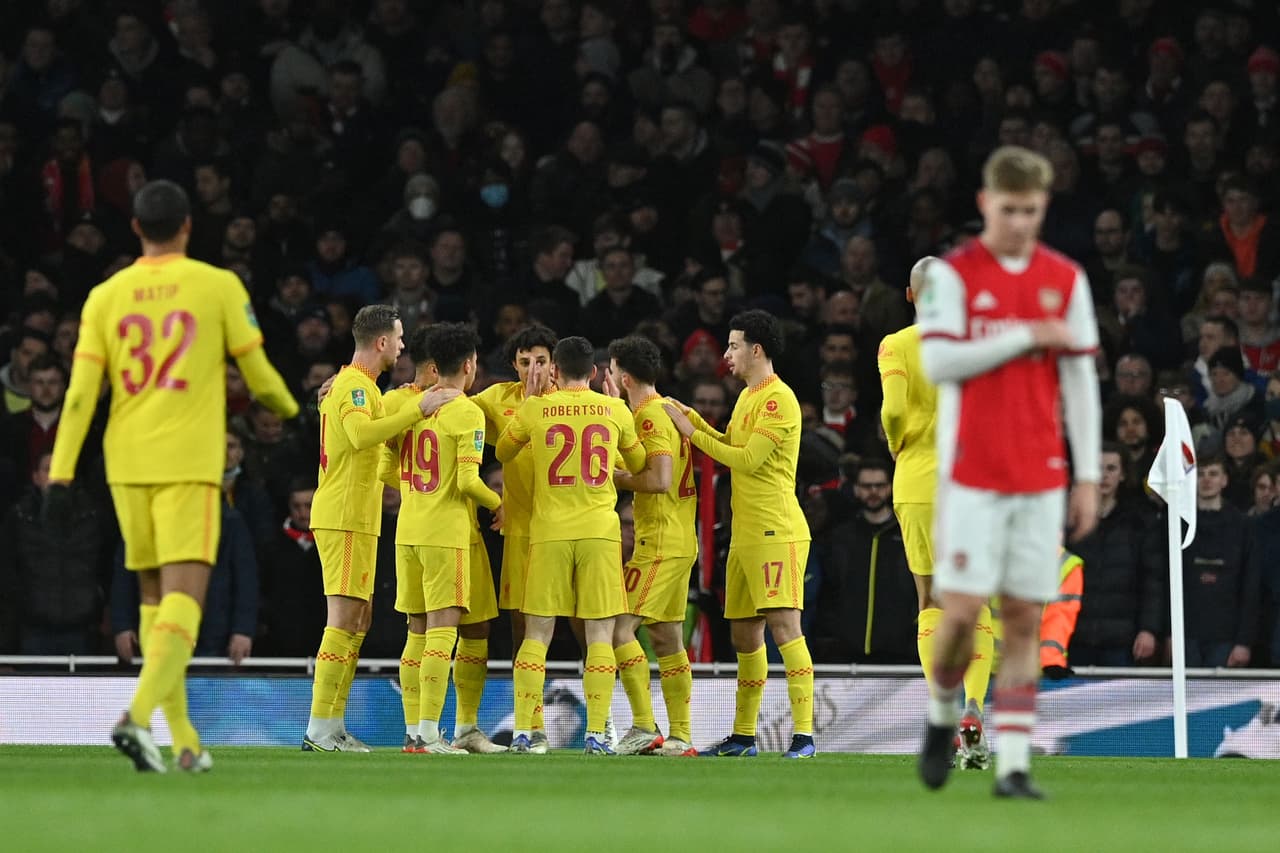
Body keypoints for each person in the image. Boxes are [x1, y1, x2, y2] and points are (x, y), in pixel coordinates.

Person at [47, 179, 298, 773]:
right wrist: (295, 410)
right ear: (188, 226)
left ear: (136, 228)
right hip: (187, 464)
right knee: (187, 598)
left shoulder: (106, 296)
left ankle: (184, 741)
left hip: (126, 464)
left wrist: (59, 474)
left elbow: (81, 395)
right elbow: (258, 377)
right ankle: (135, 718)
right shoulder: (217, 286)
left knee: (156, 602)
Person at [915, 146, 1101, 798]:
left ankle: (1015, 765)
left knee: (1023, 616)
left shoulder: (1066, 278)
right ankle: (943, 717)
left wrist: (1086, 475)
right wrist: (1023, 335)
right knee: (960, 615)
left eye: (1032, 210)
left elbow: (1079, 379)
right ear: (985, 204)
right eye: (1010, 209)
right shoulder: (956, 277)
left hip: (1041, 475)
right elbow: (939, 365)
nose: (1021, 222)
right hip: (971, 475)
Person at [664, 310, 818, 759]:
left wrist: (692, 433)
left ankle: (805, 736)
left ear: (756, 350)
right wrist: (691, 417)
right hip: (746, 534)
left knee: (786, 629)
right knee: (744, 636)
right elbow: (728, 445)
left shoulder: (777, 400)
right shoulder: (747, 397)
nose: (726, 355)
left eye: (732, 346)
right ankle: (744, 736)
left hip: (777, 530)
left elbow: (746, 459)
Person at [496, 335, 646, 754]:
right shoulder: (614, 409)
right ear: (595, 373)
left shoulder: (536, 408)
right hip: (600, 533)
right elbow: (637, 465)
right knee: (600, 635)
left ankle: (526, 731)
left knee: (537, 634)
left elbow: (505, 451)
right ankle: (598, 733)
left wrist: (528, 401)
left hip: (549, 534)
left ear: (554, 372)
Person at [302, 304, 437, 753]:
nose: (402, 346)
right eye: (398, 338)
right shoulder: (355, 388)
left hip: (357, 518)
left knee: (357, 621)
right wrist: (420, 408)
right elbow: (362, 436)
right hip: (342, 516)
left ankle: (333, 724)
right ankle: (320, 727)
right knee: (341, 621)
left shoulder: (359, 388)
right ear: (381, 342)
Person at [878, 256, 995, 771]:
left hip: (920, 481)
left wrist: (895, 442)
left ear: (910, 296)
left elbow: (894, 410)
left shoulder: (897, 345)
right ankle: (974, 704)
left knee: (930, 597)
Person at [383, 323, 504, 754]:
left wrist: (419, 487)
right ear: (469, 366)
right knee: (442, 632)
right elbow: (470, 480)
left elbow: (385, 469)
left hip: (409, 530)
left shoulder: (415, 407)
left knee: (416, 634)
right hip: (445, 533)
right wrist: (498, 504)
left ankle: (416, 732)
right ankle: (433, 733)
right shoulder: (465, 411)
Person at [605, 335, 699, 756]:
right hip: (679, 538)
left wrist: (620, 478)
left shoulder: (648, 416)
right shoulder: (666, 409)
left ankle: (643, 725)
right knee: (666, 637)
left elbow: (659, 480)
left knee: (619, 629)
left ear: (623, 376)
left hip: (659, 542)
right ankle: (681, 736)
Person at [472, 323, 558, 753]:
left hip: (569, 530)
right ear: (513, 365)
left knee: (590, 629)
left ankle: (606, 725)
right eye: (524, 362)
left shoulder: (573, 402)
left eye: (540, 361)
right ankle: (531, 725)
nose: (533, 369)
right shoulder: (498, 399)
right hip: (521, 532)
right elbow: (450, 405)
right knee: (524, 629)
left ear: (555, 363)